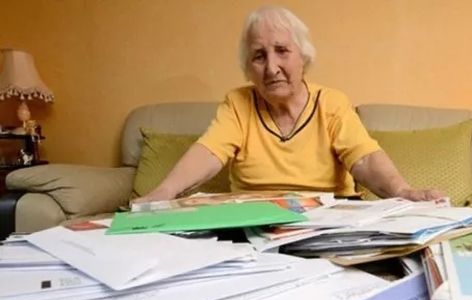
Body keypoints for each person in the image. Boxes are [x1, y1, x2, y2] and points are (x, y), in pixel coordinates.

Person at [138, 6, 443, 203]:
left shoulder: (331, 103)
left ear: (303, 57)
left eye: (282, 51)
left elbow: (363, 160)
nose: (272, 68)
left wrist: (402, 191)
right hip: (256, 224)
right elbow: (209, 151)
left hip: (328, 221)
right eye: (259, 56)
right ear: (248, 67)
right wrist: (165, 191)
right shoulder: (238, 103)